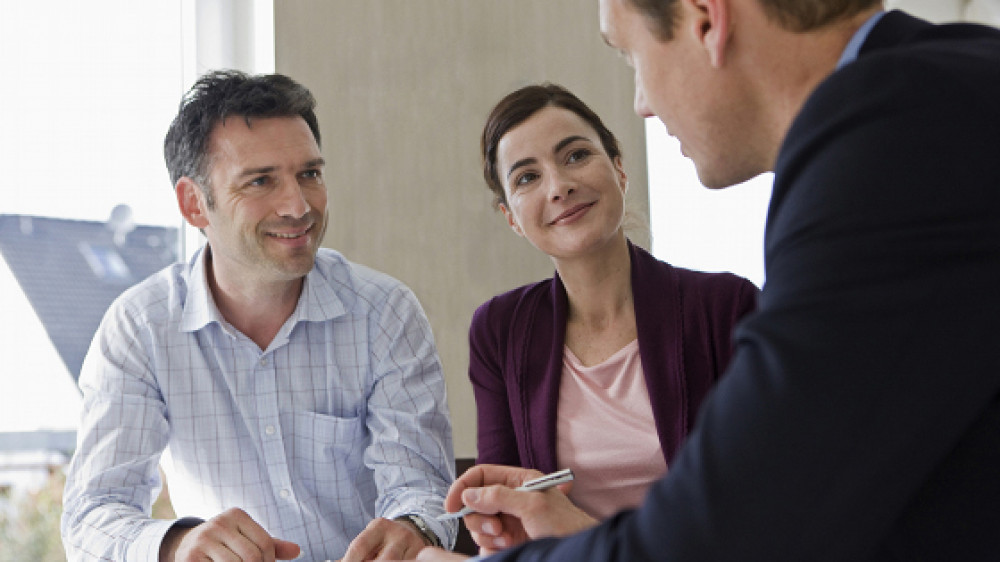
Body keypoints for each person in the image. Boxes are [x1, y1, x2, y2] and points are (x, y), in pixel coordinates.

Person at [418, 0, 1000, 560]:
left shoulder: (882, 145)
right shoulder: (943, 77)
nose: (643, 104)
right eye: (526, 178)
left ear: (706, 20)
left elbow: (745, 524)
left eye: (632, 56)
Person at [61, 70, 458, 562]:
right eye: (260, 181)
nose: (298, 205)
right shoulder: (140, 328)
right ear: (194, 204)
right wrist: (179, 544)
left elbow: (422, 490)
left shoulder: (385, 312)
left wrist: (413, 528)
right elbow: (92, 515)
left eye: (309, 174)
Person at [468, 83, 756, 547]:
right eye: (527, 178)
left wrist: (588, 538)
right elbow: (511, 514)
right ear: (512, 219)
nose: (559, 186)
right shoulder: (499, 331)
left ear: (619, 169)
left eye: (576, 155)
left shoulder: (727, 308)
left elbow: (761, 501)